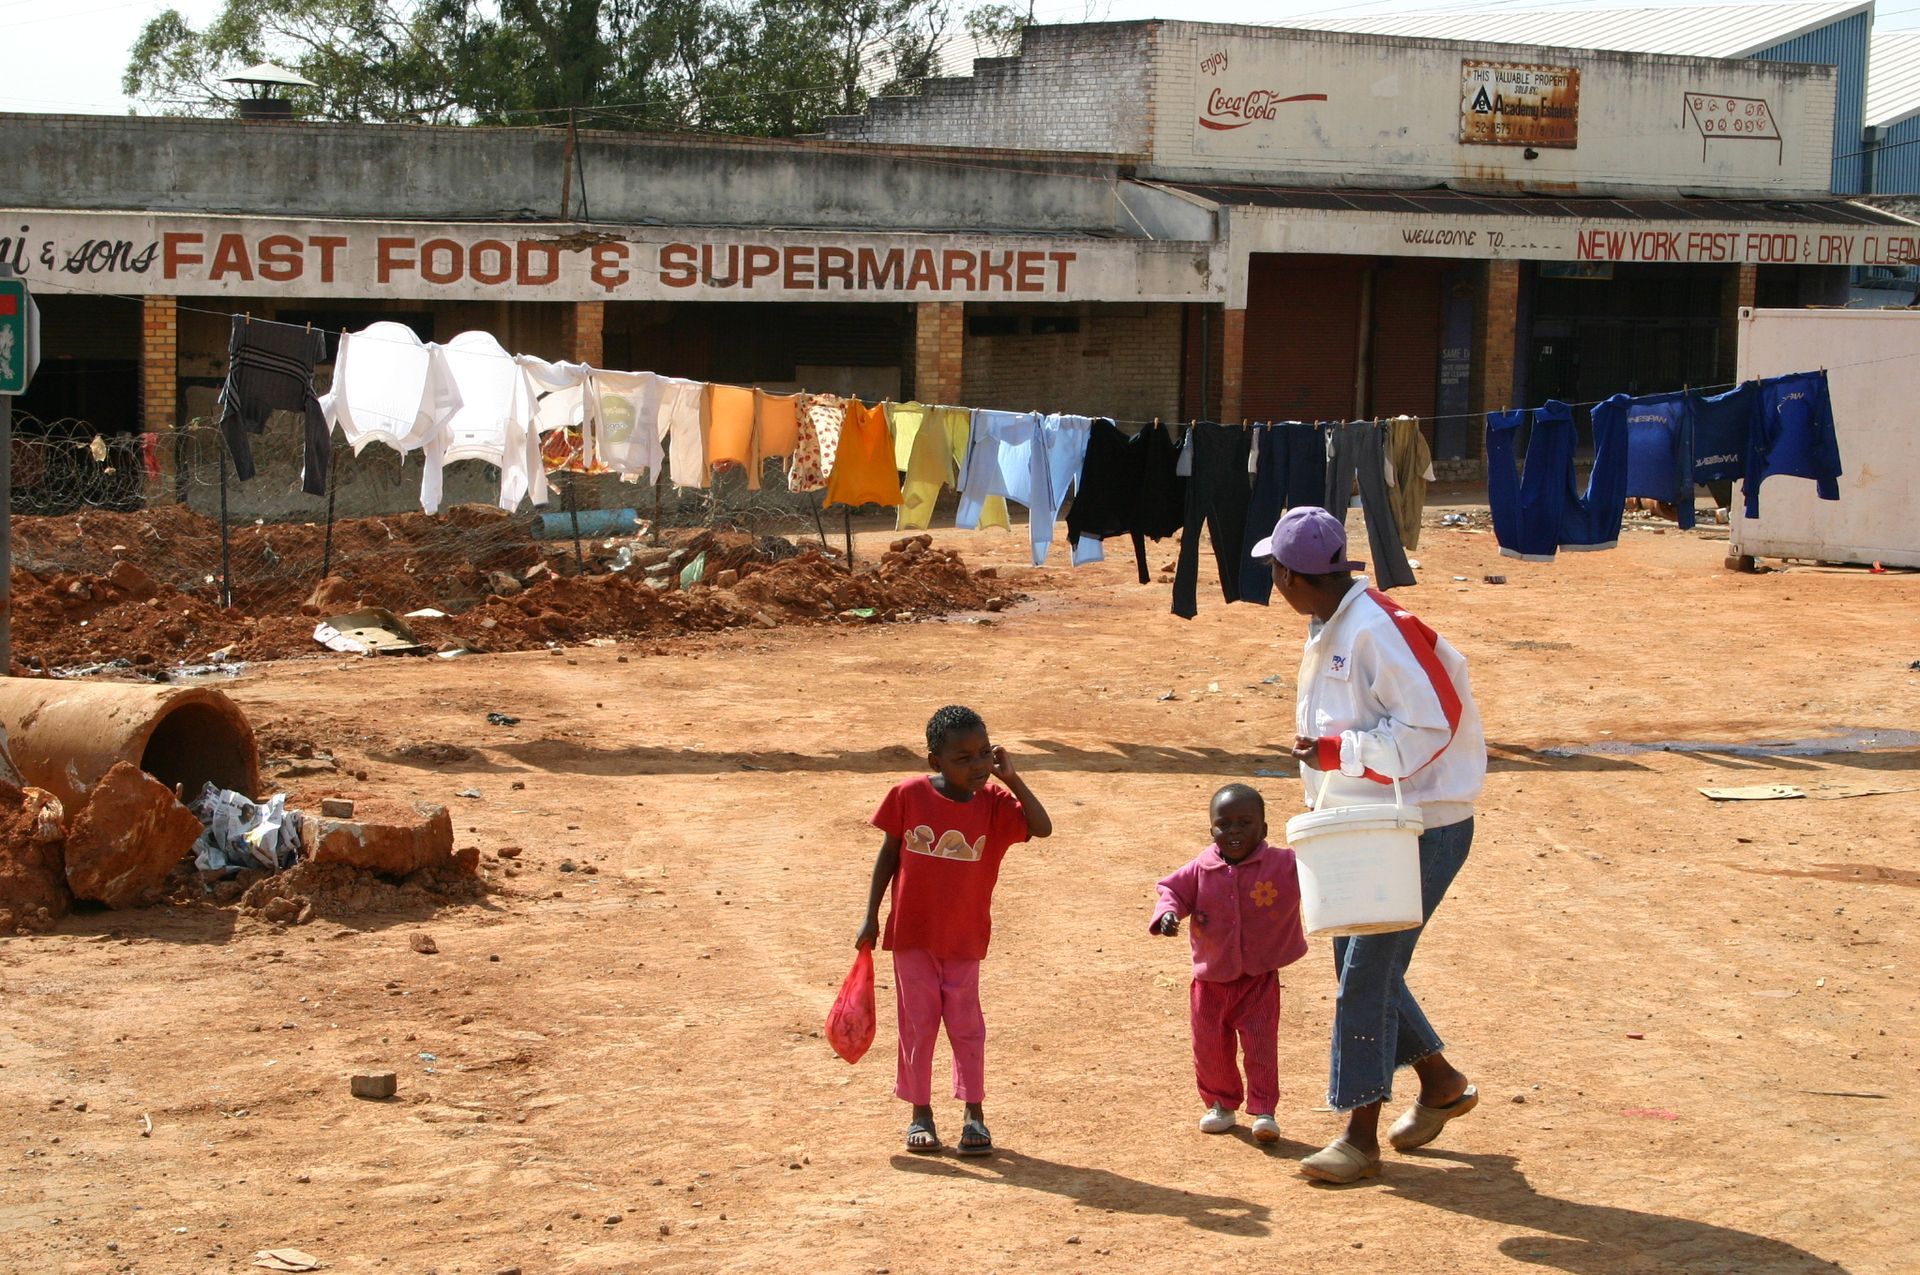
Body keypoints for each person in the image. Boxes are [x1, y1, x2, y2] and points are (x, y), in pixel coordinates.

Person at [1252, 505, 1489, 1185]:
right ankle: (1441, 1082)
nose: (1273, 580)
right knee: (1357, 963)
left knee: (1366, 975)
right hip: (1365, 825)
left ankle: (1359, 1135)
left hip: (1421, 825)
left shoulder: (1377, 629)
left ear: (1293, 575)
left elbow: (1432, 724)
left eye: (1275, 569)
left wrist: (1336, 750)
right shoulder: (1332, 624)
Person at [854, 705, 1053, 1157]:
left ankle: (974, 1114)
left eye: (984, 753)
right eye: (963, 758)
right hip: (911, 935)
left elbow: (1042, 828)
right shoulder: (907, 795)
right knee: (917, 1025)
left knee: (967, 1027)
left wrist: (1013, 779)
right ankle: (919, 1115)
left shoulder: (997, 806)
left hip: (965, 938)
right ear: (934, 762)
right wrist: (871, 916)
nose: (979, 765)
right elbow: (889, 855)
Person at [1150, 784, 1307, 1144]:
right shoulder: (1201, 869)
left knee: (1261, 1045)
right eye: (1224, 824)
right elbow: (1171, 891)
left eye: (1244, 822)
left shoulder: (1283, 865)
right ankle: (1220, 1104)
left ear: (1264, 829)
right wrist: (1168, 914)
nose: (1233, 831)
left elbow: (1316, 868)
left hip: (1258, 980)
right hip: (1210, 981)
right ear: (1212, 830)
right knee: (1209, 1047)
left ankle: (1264, 1110)